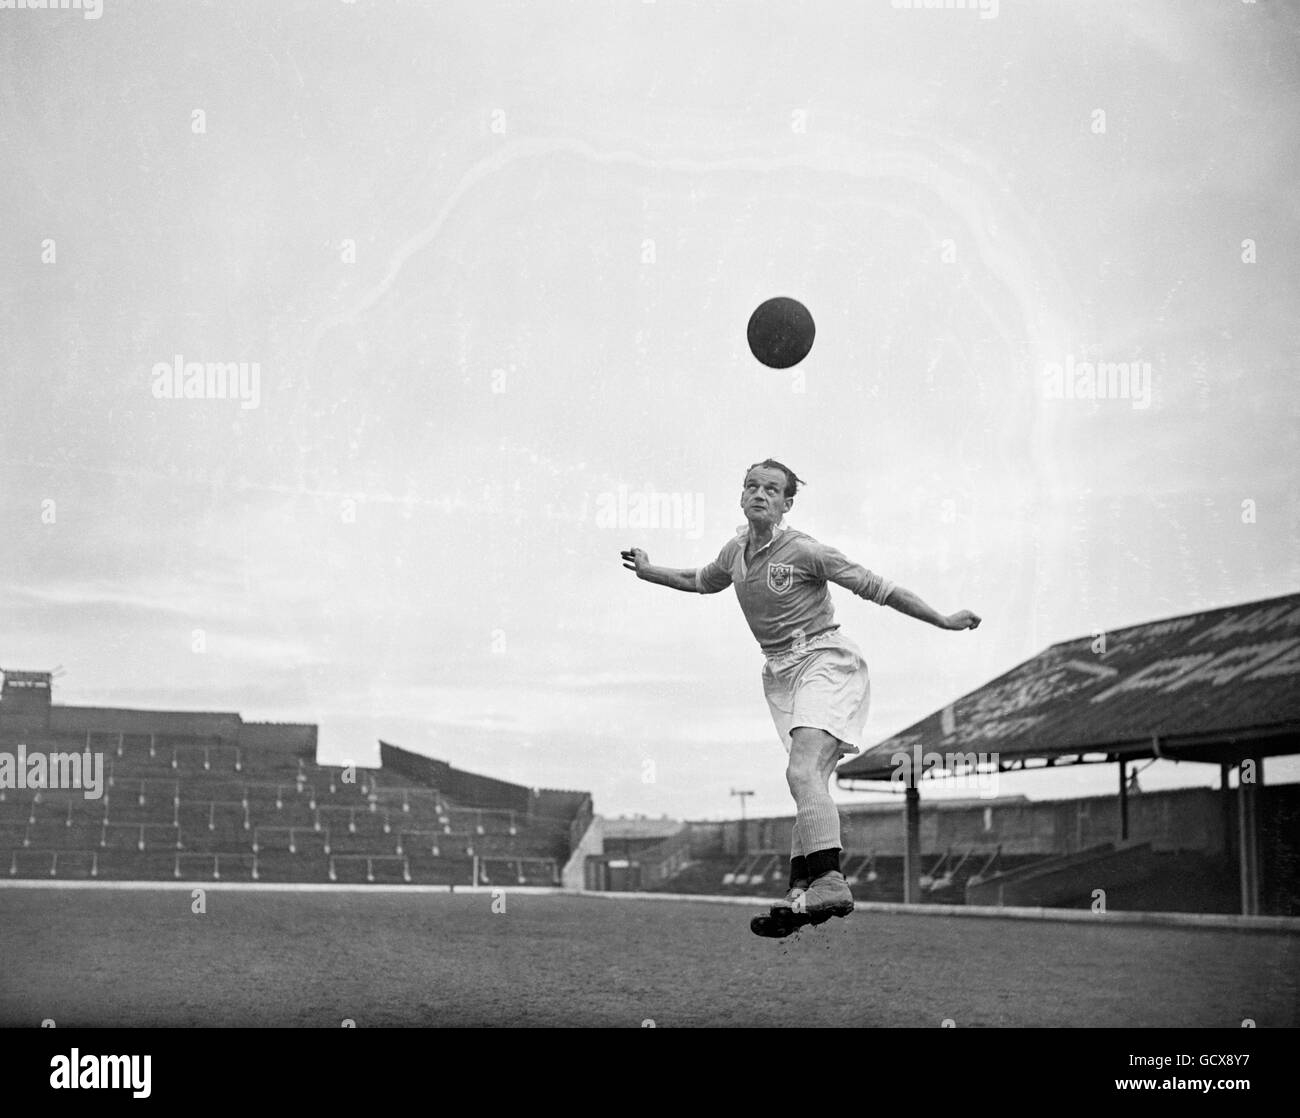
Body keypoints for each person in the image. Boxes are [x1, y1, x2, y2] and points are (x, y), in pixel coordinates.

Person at [620, 458, 980, 934]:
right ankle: (800, 895)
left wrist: (944, 620)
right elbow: (698, 581)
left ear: (787, 503)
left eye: (771, 489)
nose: (759, 493)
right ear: (741, 496)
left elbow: (880, 588)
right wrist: (648, 570)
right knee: (807, 782)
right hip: (782, 674)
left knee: (802, 771)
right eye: (752, 485)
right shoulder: (734, 552)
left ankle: (830, 882)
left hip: (824, 662)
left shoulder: (805, 551)